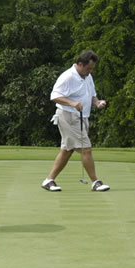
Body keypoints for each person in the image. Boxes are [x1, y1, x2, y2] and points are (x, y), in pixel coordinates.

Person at [41, 50, 110, 192]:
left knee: (67, 150)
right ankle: (96, 182)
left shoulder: (88, 76)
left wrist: (97, 103)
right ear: (80, 64)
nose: (90, 71)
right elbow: (54, 96)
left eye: (92, 68)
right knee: (86, 148)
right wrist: (72, 103)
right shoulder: (67, 77)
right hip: (68, 116)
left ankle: (49, 180)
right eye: (88, 68)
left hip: (81, 117)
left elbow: (92, 95)